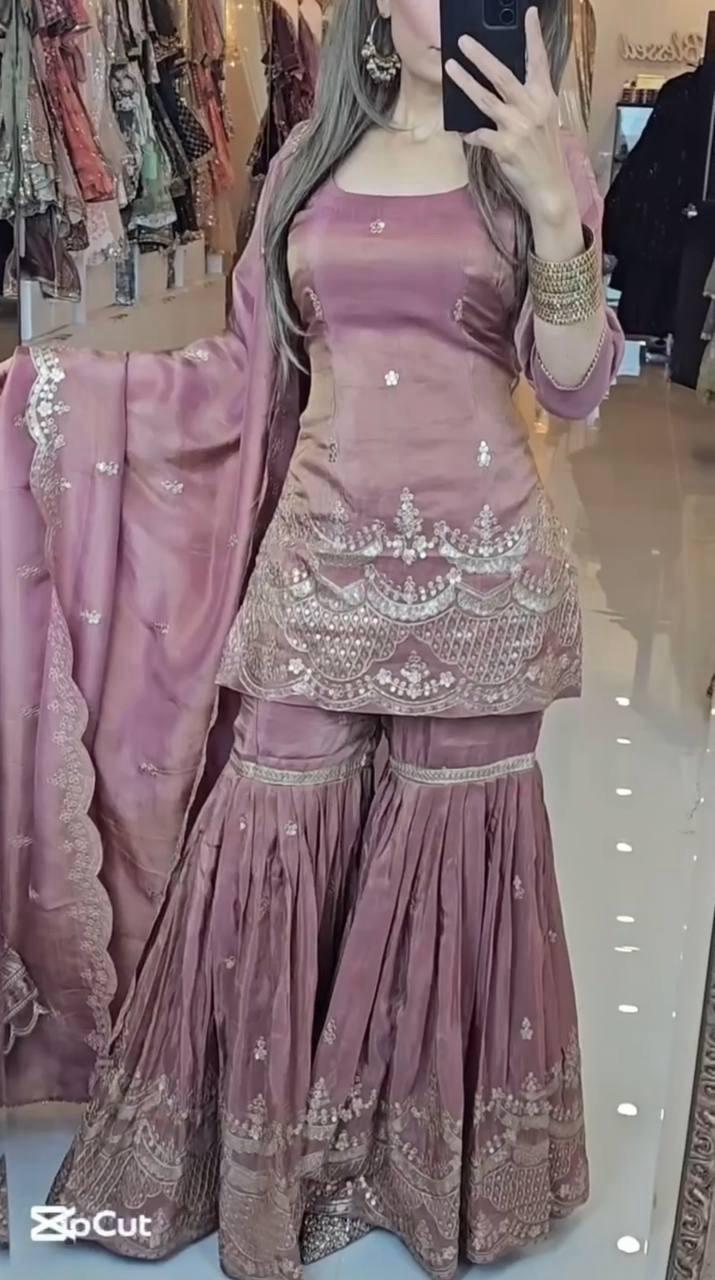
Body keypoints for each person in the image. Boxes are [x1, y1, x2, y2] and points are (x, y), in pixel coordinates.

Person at [39, 1, 623, 1276]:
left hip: (480, 579)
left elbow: (574, 382)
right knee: (274, 821)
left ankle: (417, 1171)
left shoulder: (529, 158)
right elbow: (248, 373)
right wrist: (73, 389)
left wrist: (554, 209)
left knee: (446, 858)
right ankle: (257, 1158)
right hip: (319, 564)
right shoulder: (308, 156)